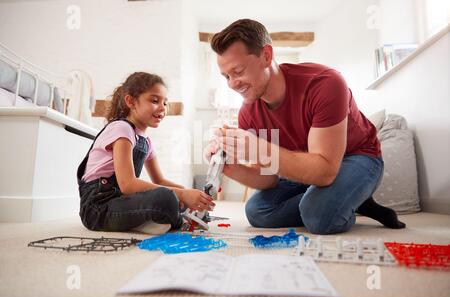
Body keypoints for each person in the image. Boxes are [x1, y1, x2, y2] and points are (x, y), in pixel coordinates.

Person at [206, 19, 405, 235]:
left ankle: (339, 199)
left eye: (238, 71)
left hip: (357, 157)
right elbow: (268, 177)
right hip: (305, 167)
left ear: (266, 55)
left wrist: (258, 148)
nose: (232, 84)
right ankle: (348, 199)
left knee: (317, 215)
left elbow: (325, 171)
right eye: (226, 76)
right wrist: (228, 166)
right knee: (257, 211)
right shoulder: (249, 112)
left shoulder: (324, 83)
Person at [77, 72, 215, 234]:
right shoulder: (121, 129)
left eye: (165, 102)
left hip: (120, 201)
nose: (162, 108)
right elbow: (127, 184)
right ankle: (167, 219)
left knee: (172, 197)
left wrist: (189, 194)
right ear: (131, 101)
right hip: (98, 208)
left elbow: (160, 180)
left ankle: (154, 219)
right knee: (167, 198)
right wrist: (182, 195)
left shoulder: (146, 141)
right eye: (155, 100)